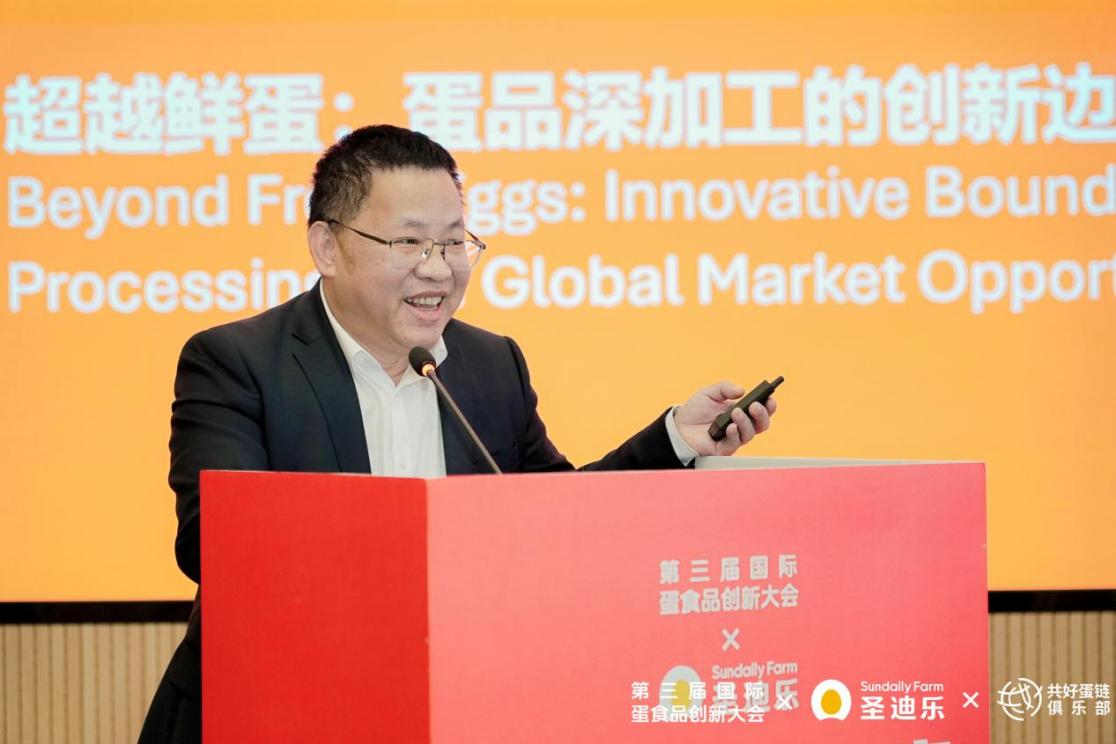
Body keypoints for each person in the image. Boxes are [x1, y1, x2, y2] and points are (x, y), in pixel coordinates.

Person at [138, 124, 776, 743]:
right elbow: (210, 544)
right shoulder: (239, 362)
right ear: (327, 247)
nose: (439, 270)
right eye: (410, 243)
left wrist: (677, 439)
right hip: (274, 709)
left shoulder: (490, 365)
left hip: (453, 703)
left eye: (453, 243)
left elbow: (559, 516)